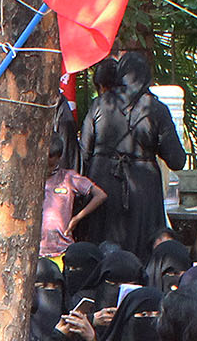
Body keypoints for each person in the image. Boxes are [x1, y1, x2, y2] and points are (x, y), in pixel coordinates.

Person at [79, 54, 186, 255]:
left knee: (103, 246)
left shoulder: (100, 103)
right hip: (144, 188)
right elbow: (177, 159)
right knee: (141, 250)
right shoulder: (156, 109)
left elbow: (84, 151)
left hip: (102, 184)